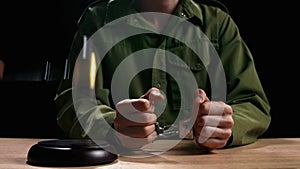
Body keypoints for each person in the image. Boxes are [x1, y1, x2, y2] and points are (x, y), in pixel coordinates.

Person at [54, 0, 271, 152]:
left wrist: (226, 125)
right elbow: (75, 101)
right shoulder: (97, 21)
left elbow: (253, 102)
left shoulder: (218, 24)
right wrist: (112, 126)